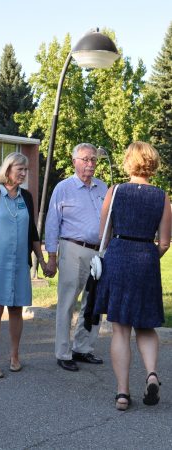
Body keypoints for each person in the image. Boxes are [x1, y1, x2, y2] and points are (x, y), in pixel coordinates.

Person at [93, 142, 171, 410]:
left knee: (120, 328)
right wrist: (149, 257)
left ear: (129, 162)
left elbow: (103, 233)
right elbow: (164, 243)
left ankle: (123, 393)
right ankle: (151, 373)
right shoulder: (162, 197)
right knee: (146, 325)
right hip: (146, 261)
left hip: (118, 257)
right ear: (152, 163)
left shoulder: (114, 192)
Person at [0, 152, 47, 378]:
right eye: (20, 169)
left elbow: (33, 231)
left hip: (19, 263)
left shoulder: (27, 198)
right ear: (8, 170)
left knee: (16, 309)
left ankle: (14, 355)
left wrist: (40, 259)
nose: (23, 173)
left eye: (26, 170)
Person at [45, 143, 108, 371]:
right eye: (85, 159)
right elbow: (52, 223)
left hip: (99, 252)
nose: (90, 164)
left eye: (93, 159)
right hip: (72, 248)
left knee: (93, 303)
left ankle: (83, 348)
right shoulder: (63, 188)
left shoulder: (103, 187)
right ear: (74, 162)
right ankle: (63, 352)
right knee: (68, 302)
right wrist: (51, 256)